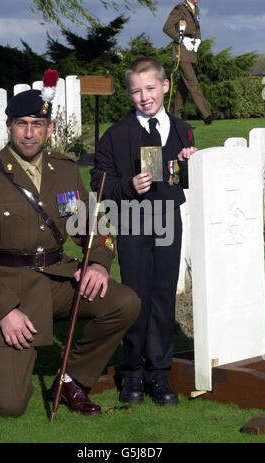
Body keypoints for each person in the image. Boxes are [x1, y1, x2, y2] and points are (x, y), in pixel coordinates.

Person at [0, 71, 140, 418]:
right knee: (8, 406)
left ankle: (73, 379)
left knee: (123, 302)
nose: (30, 132)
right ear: (9, 127)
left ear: (49, 129)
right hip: (6, 290)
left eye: (37, 123)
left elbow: (95, 223)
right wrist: (4, 312)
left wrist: (97, 261)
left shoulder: (63, 169)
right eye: (21, 124)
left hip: (55, 282)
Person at [91, 57, 196, 406]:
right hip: (133, 223)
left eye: (150, 88)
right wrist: (126, 186)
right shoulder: (117, 134)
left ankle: (160, 375)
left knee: (164, 296)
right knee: (136, 298)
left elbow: (184, 180)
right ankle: (133, 371)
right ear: (129, 94)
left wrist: (192, 164)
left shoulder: (181, 129)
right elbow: (98, 182)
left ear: (164, 86)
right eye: (136, 91)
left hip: (168, 221)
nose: (144, 97)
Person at [163, 0, 216, 125]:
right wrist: (181, 39)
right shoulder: (180, 8)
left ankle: (176, 118)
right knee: (192, 83)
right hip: (181, 51)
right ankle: (206, 114)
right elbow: (167, 28)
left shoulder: (195, 9)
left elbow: (197, 27)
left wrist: (198, 39)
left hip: (190, 50)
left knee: (184, 88)